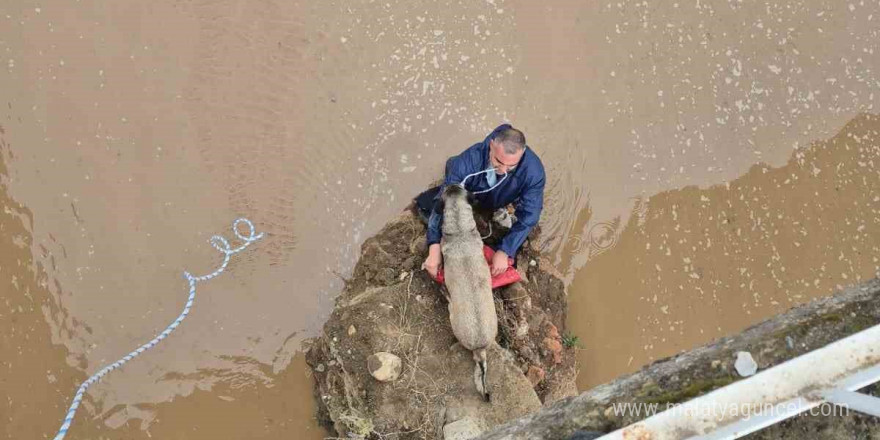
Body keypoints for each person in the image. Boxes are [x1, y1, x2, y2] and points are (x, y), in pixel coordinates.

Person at [414, 124, 546, 278]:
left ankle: (498, 208)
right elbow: (442, 203)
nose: (503, 170)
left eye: (511, 166)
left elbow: (530, 215)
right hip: (471, 190)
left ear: (522, 154)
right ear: (491, 145)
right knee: (426, 206)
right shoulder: (468, 162)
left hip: (503, 194)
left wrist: (505, 250)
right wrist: (434, 245)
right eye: (498, 161)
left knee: (520, 222)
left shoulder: (534, 172)